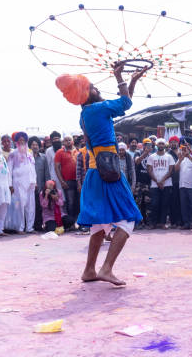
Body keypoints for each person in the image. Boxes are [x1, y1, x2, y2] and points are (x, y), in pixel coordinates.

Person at [56, 63, 146, 285]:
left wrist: (131, 81)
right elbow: (125, 102)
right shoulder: (98, 109)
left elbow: (122, 105)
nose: (98, 89)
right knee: (127, 221)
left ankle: (89, 270)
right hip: (109, 172)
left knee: (99, 225)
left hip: (96, 174)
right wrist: (119, 76)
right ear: (87, 93)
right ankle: (106, 268)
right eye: (94, 87)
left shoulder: (87, 113)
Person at [6, 132, 37, 233]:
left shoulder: (29, 153)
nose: (22, 142)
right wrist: (10, 185)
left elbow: (32, 168)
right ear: (16, 142)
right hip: (18, 183)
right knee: (20, 206)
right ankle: (20, 228)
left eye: (23, 141)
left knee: (31, 206)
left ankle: (30, 228)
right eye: (20, 141)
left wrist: (35, 181)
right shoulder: (13, 154)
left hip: (30, 183)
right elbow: (9, 170)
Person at [147, 138, 175, 229]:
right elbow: (149, 170)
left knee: (164, 204)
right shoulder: (151, 157)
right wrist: (157, 181)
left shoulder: (169, 157)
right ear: (156, 145)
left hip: (166, 184)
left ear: (165, 145)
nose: (161, 145)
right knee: (154, 204)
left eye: (162, 144)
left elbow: (171, 171)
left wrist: (162, 180)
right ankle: (153, 223)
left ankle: (162, 223)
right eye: (159, 144)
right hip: (155, 184)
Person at [175, 136, 192, 230]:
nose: (185, 147)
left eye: (188, 145)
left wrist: (188, 156)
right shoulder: (181, 156)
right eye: (184, 145)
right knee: (184, 206)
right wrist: (181, 159)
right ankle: (187, 223)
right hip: (182, 185)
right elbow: (176, 169)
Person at [55, 134, 79, 227]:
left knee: (78, 202)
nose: (68, 141)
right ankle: (71, 224)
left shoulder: (78, 151)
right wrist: (62, 181)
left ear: (73, 141)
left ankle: (79, 223)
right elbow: (56, 167)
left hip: (78, 181)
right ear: (63, 142)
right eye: (66, 140)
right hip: (67, 181)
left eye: (69, 140)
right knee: (70, 203)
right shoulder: (59, 152)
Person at [29, 136, 49, 231]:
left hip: (40, 187)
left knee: (39, 207)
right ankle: (29, 226)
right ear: (30, 146)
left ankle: (38, 226)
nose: (35, 146)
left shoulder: (44, 158)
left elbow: (46, 173)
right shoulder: (26, 157)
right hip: (29, 187)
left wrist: (47, 187)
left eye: (36, 144)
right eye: (33, 145)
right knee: (29, 207)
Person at [134, 138, 153, 228]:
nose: (147, 146)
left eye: (149, 145)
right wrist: (145, 153)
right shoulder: (138, 152)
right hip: (139, 183)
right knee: (138, 203)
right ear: (143, 145)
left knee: (148, 203)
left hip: (148, 183)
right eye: (146, 144)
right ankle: (138, 223)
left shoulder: (153, 155)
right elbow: (137, 161)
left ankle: (148, 222)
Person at [167, 136, 183, 228]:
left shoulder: (182, 152)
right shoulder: (168, 154)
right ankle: (174, 222)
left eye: (175, 142)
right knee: (173, 201)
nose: (173, 143)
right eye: (171, 142)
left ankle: (182, 221)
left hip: (183, 180)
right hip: (173, 181)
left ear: (178, 143)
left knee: (182, 201)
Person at [45, 131, 64, 203]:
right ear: (51, 140)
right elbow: (48, 165)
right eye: (54, 139)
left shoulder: (64, 148)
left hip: (64, 175)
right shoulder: (48, 151)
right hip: (54, 176)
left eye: (57, 138)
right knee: (57, 194)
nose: (56, 140)